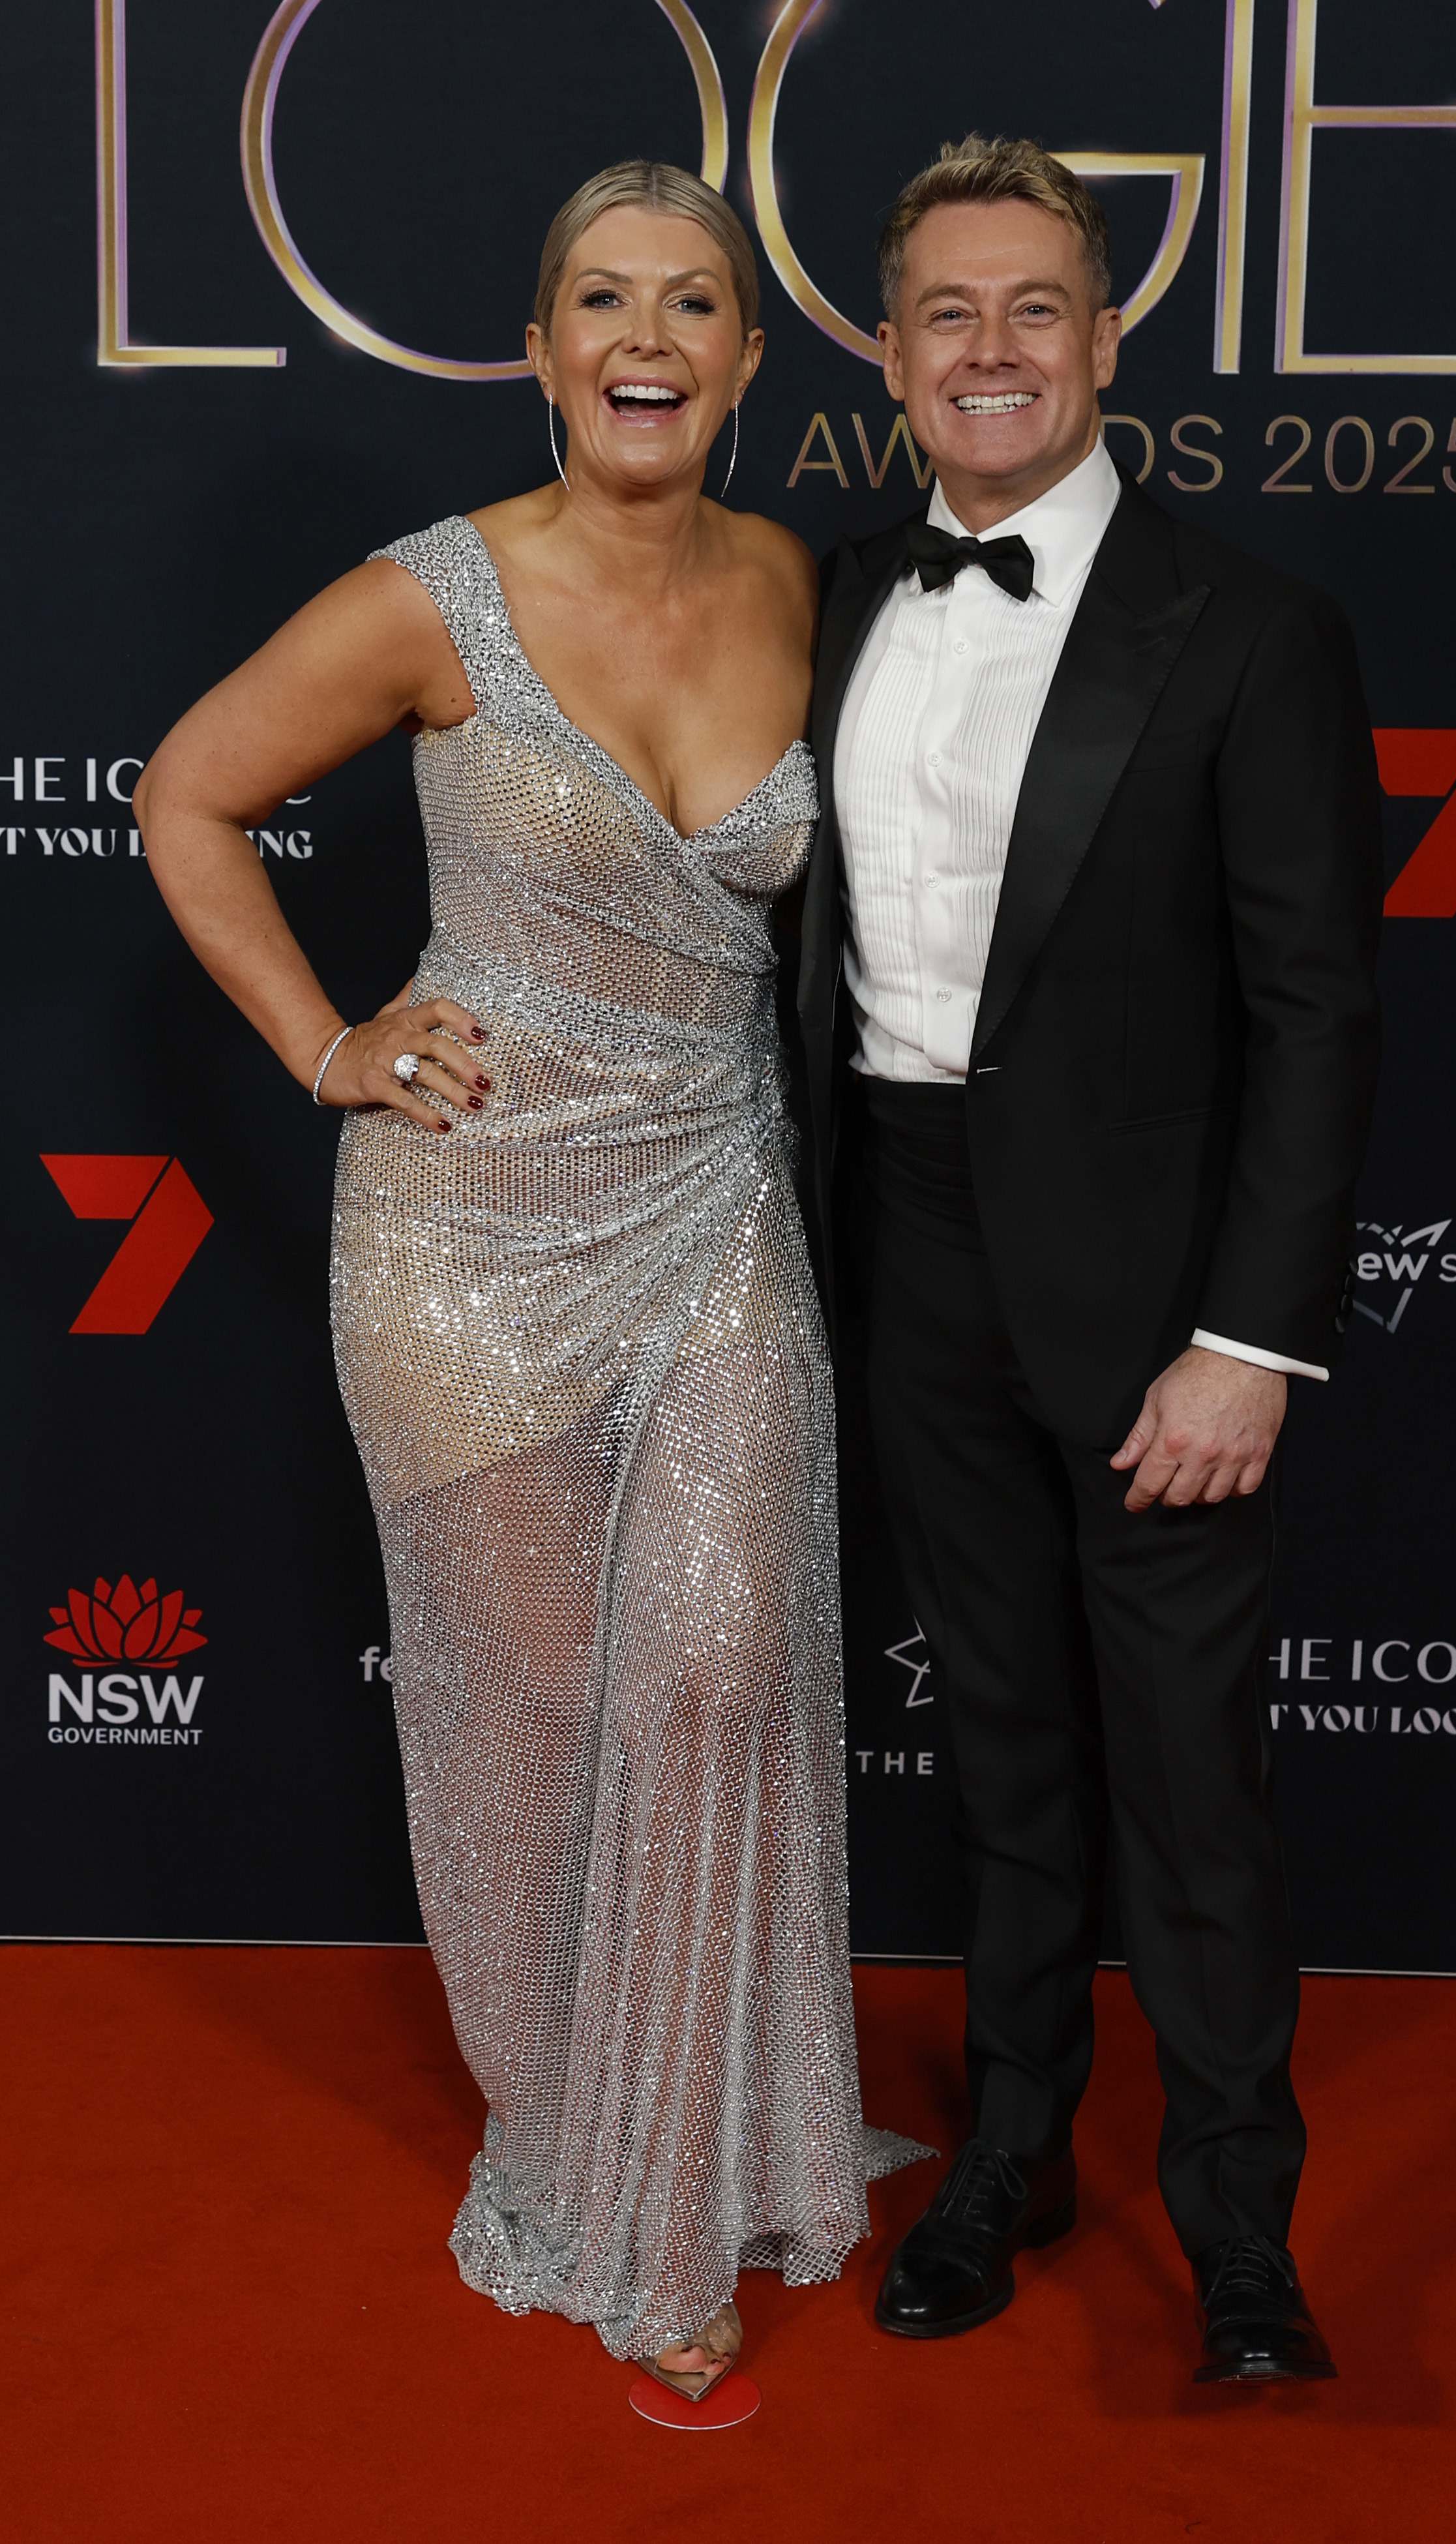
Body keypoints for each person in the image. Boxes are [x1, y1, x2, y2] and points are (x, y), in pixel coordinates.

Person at [135, 159, 921, 2406]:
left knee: (722, 1661)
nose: (649, 338)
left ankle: (725, 2118)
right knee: (545, 1721)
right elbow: (189, 794)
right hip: (465, 1240)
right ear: (549, 345)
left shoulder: (793, 581)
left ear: (755, 364)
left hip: (717, 1215)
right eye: (606, 301)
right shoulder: (429, 597)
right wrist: (327, 1046)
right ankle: (608, 2181)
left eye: (696, 302)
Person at [797, 136, 1381, 2381]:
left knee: (1192, 1782)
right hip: (907, 1242)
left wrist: (1250, 1342)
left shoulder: (1246, 630)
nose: (993, 351)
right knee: (1010, 1757)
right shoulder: (835, 593)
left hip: (1158, 1299)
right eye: (948, 312)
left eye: (1037, 307)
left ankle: (1245, 2238)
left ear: (1108, 339)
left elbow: (1317, 1012)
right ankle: (1011, 2161)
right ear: (887, 350)